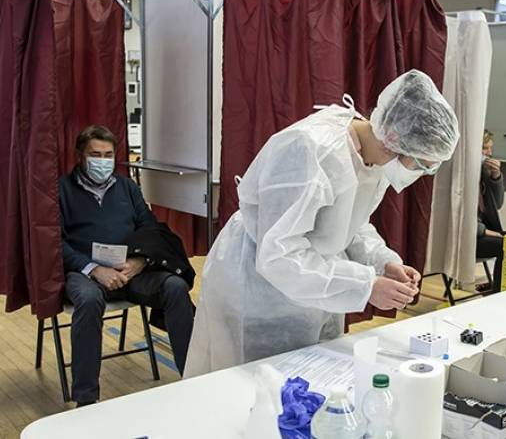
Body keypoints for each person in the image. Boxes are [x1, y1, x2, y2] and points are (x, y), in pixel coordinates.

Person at [184, 70, 460, 376]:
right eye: (421, 165)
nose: (419, 173)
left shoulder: (372, 157)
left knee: (311, 377)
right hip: (258, 286)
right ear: (394, 140)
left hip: (311, 285)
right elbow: (278, 255)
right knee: (253, 384)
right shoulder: (312, 150)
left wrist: (383, 262)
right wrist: (365, 286)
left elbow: (349, 225)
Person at [59, 126, 195, 407]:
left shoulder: (127, 187)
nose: (102, 161)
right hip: (85, 272)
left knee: (175, 286)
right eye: (95, 155)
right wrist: (94, 269)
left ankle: (194, 377)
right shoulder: (62, 190)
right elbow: (54, 242)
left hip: (128, 269)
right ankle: (85, 400)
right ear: (80, 155)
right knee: (89, 299)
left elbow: (149, 228)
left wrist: (138, 262)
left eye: (108, 155)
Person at [475, 130, 505, 292]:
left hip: (482, 232)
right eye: (485, 148)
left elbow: (497, 204)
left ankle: (498, 284)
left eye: (490, 148)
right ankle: (497, 290)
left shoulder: (482, 171)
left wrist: (496, 176)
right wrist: (490, 232)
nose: (489, 153)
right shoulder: (461, 177)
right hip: (468, 237)